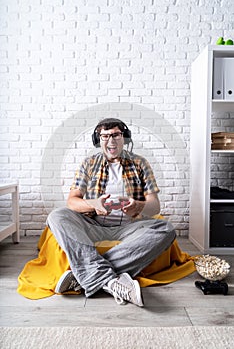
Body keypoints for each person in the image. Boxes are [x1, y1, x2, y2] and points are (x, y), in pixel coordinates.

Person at [47, 118, 176, 307]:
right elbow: (72, 201)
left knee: (166, 229)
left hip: (131, 226)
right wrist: (93, 204)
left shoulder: (140, 163)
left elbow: (154, 206)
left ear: (125, 138)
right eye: (105, 136)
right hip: (94, 224)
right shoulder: (89, 163)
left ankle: (82, 276)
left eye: (116, 135)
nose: (111, 140)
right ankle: (108, 280)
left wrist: (138, 206)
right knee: (57, 216)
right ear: (98, 140)